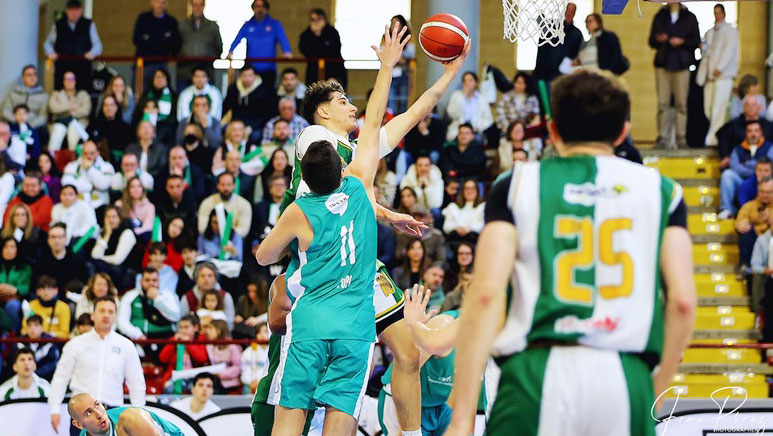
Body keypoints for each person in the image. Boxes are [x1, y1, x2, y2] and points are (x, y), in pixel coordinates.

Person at [442, 69, 696, 436]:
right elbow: (684, 302)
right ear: (623, 132)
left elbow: (484, 295)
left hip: (535, 374)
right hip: (626, 376)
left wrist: (463, 414)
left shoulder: (515, 185)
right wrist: (656, 383)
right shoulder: (663, 191)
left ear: (553, 129)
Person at [254, 25, 408, 435]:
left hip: (311, 298)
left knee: (290, 404)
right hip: (349, 320)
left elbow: (262, 255)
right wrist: (387, 67)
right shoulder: (329, 150)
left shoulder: (325, 190)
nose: (350, 106)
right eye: (342, 100)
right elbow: (376, 120)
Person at [49, 296, 146, 432]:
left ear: (115, 316)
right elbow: (60, 378)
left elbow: (136, 383)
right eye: (102, 310)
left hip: (113, 414)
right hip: (82, 415)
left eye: (110, 311)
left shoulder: (126, 346)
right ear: (93, 315)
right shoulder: (75, 344)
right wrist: (54, 409)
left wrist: (140, 414)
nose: (106, 315)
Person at [648, 1, 700, 149]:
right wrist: (659, 39)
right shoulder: (660, 16)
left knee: (681, 104)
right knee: (663, 103)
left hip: (681, 64)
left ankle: (681, 138)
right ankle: (663, 138)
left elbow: (695, 40)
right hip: (663, 63)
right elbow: (651, 41)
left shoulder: (689, 17)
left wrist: (682, 41)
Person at [697, 4, 739, 147]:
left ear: (724, 13)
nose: (717, 15)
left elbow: (730, 50)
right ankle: (714, 135)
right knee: (708, 108)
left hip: (723, 75)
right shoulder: (709, 32)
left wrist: (720, 68)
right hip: (709, 76)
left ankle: (712, 138)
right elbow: (707, 54)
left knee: (719, 107)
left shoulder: (731, 31)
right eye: (715, 12)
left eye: (719, 12)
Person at [227, 0, 292, 88]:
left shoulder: (275, 24)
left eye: (262, 7)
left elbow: (282, 39)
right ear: (253, 9)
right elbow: (238, 38)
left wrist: (287, 51)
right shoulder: (248, 25)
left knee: (268, 93)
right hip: (251, 69)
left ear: (267, 9)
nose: (259, 9)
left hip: (268, 68)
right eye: (257, 7)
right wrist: (231, 51)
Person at [718, 121, 773, 219]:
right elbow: (735, 167)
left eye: (756, 131)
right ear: (746, 133)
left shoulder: (769, 147)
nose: (753, 134)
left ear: (761, 132)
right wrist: (755, 170)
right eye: (750, 131)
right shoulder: (737, 149)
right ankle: (727, 210)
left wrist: (748, 165)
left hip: (766, 182)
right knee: (727, 174)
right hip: (742, 181)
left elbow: (769, 165)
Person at [44, 0, 102, 91]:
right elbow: (48, 43)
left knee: (83, 92)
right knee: (61, 91)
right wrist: (51, 53)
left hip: (83, 66)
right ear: (67, 11)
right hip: (62, 66)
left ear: (81, 11)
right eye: (71, 10)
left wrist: (92, 53)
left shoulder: (89, 24)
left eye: (77, 10)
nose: (74, 13)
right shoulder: (58, 24)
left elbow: (98, 45)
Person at [68, 393, 182, 436]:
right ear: (78, 425)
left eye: (97, 404)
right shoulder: (84, 434)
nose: (99, 414)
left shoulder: (131, 419)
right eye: (88, 413)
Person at [118, 268, 180, 344]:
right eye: (147, 280)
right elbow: (122, 321)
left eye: (154, 280)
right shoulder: (130, 296)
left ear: (159, 282)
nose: (151, 283)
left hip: (165, 339)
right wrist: (137, 335)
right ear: (141, 282)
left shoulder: (168, 296)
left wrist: (157, 298)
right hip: (137, 339)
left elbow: (176, 317)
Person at [132, 0, 181, 89]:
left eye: (163, 2)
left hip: (163, 64)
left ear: (167, 3)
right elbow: (137, 40)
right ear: (152, 2)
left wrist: (149, 39)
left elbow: (175, 45)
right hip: (144, 64)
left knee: (162, 91)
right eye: (158, 1)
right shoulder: (143, 19)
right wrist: (163, 40)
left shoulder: (171, 21)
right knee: (141, 92)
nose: (160, 5)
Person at [90, 206, 139, 290]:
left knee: (95, 264)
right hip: (108, 268)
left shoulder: (127, 233)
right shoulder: (104, 233)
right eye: (108, 217)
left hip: (124, 271)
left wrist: (100, 259)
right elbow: (95, 255)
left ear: (120, 218)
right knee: (89, 264)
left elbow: (117, 260)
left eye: (114, 217)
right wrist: (107, 235)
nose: (111, 220)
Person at [533, 2, 583, 84]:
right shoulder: (551, 26)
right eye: (567, 10)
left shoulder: (577, 34)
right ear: (564, 11)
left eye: (572, 11)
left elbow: (576, 54)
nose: (569, 13)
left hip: (562, 75)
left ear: (574, 13)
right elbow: (539, 20)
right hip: (543, 72)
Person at [176, 0, 223, 88]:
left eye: (200, 5)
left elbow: (219, 47)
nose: (197, 8)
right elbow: (175, 46)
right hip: (185, 70)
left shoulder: (212, 26)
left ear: (204, 6)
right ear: (191, 6)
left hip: (206, 69)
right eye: (195, 5)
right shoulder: (182, 25)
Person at [299, 8, 347, 90]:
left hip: (333, 69)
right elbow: (304, 50)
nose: (316, 23)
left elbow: (333, 50)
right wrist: (316, 35)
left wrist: (319, 36)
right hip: (314, 69)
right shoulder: (306, 34)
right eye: (313, 20)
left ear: (324, 20)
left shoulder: (332, 32)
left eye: (319, 19)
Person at [222, 65, 277, 136]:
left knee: (255, 135)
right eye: (244, 76)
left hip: (255, 126)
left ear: (255, 76)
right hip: (236, 123)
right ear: (240, 76)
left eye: (250, 76)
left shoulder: (263, 91)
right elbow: (226, 106)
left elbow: (264, 115)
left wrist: (251, 127)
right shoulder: (234, 89)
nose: (247, 79)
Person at [33, 223, 89, 293]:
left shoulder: (77, 262)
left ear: (65, 239)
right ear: (48, 240)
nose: (57, 241)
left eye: (60, 237)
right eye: (53, 237)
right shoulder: (41, 263)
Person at [61, 140, 115, 211]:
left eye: (91, 153)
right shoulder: (71, 166)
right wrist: (90, 186)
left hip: (100, 206)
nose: (88, 156)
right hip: (78, 207)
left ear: (97, 153)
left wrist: (89, 169)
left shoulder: (107, 166)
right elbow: (67, 185)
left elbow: (104, 185)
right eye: (85, 153)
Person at [179, 262, 236, 329]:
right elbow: (182, 323)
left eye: (210, 276)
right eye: (202, 276)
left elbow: (230, 324)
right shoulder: (187, 298)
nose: (206, 279)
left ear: (215, 278)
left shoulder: (225, 296)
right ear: (196, 279)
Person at [158, 313, 208, 388]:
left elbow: (201, 359)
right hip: (175, 377)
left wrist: (188, 343)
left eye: (186, 327)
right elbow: (163, 359)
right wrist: (173, 342)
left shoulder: (201, 339)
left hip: (195, 377)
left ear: (195, 328)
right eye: (180, 328)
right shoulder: (174, 340)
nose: (182, 330)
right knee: (169, 389)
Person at [197, 172, 252, 238]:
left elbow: (243, 231)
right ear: (217, 186)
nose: (226, 188)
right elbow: (202, 228)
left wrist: (226, 235)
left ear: (234, 186)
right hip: (210, 238)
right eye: (223, 185)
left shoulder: (244, 204)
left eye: (229, 185)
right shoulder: (207, 203)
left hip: (233, 240)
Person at [735, 178, 773, 273]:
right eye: (762, 192)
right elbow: (739, 222)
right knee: (745, 231)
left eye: (768, 192)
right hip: (754, 242)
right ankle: (745, 266)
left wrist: (770, 220)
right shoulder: (749, 206)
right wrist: (740, 226)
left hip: (770, 243)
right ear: (758, 191)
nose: (765, 195)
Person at [48, 71, 91, 152]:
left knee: (73, 129)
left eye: (72, 79)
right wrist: (70, 107)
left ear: (75, 81)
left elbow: (85, 111)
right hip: (60, 121)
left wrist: (70, 113)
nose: (69, 81)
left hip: (78, 122)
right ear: (63, 81)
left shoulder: (83, 94)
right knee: (58, 130)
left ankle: (74, 159)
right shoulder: (56, 94)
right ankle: (51, 158)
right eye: (67, 79)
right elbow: (53, 108)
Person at [445, 72, 494, 143]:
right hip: (458, 130)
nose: (467, 83)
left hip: (475, 131)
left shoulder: (481, 98)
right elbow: (451, 114)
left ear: (476, 82)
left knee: (477, 141)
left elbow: (488, 119)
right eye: (465, 81)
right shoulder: (456, 96)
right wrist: (463, 97)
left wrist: (479, 127)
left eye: (470, 80)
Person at [23, 275, 71, 339]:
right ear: (38, 291)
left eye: (49, 288)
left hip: (54, 341)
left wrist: (47, 335)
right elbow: (24, 330)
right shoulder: (31, 306)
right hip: (33, 341)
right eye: (43, 289)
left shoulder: (64, 307)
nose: (46, 292)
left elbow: (65, 334)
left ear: (56, 291)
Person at [1, 65, 48, 129]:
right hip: (14, 124)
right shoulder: (13, 94)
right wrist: (18, 122)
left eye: (34, 74)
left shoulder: (43, 96)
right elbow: (5, 111)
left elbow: (43, 116)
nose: (32, 77)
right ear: (23, 78)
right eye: (29, 75)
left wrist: (30, 126)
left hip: (34, 127)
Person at [0, 237, 31, 331]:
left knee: (12, 306)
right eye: (5, 247)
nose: (9, 250)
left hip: (16, 299)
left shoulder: (25, 267)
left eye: (12, 247)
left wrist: (15, 290)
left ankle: (13, 334)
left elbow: (28, 287)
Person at [17, 315, 61, 381]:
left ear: (42, 328)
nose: (32, 329)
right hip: (24, 378)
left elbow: (53, 364)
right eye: (29, 326)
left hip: (47, 379)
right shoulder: (20, 342)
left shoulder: (50, 342)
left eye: (36, 325)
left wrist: (34, 375)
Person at [442, 178, 485, 246]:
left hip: (475, 240)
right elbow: (446, 227)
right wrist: (456, 228)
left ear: (477, 190)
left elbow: (483, 225)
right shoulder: (453, 207)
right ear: (462, 191)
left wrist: (470, 229)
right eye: (466, 188)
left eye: (472, 188)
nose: (469, 191)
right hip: (456, 240)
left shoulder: (483, 206)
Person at [89, 94, 132, 160]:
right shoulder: (94, 124)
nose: (109, 108)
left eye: (112, 105)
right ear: (102, 108)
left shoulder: (124, 128)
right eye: (106, 105)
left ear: (116, 107)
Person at [204, 319, 242, 393]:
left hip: (231, 385)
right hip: (215, 383)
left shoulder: (232, 346)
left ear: (219, 330)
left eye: (211, 328)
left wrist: (221, 374)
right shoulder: (209, 346)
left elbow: (238, 367)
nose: (207, 331)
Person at [117, 177, 155, 242]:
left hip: (140, 237)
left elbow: (147, 227)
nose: (136, 189)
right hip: (123, 236)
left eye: (139, 186)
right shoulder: (120, 204)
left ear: (142, 189)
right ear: (128, 189)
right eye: (133, 186)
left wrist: (132, 232)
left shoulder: (149, 206)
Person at [241, 322, 270, 394]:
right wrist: (252, 382)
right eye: (264, 332)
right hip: (250, 386)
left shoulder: (276, 351)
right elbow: (244, 374)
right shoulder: (248, 352)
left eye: (267, 332)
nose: (265, 335)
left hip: (268, 385)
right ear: (257, 334)